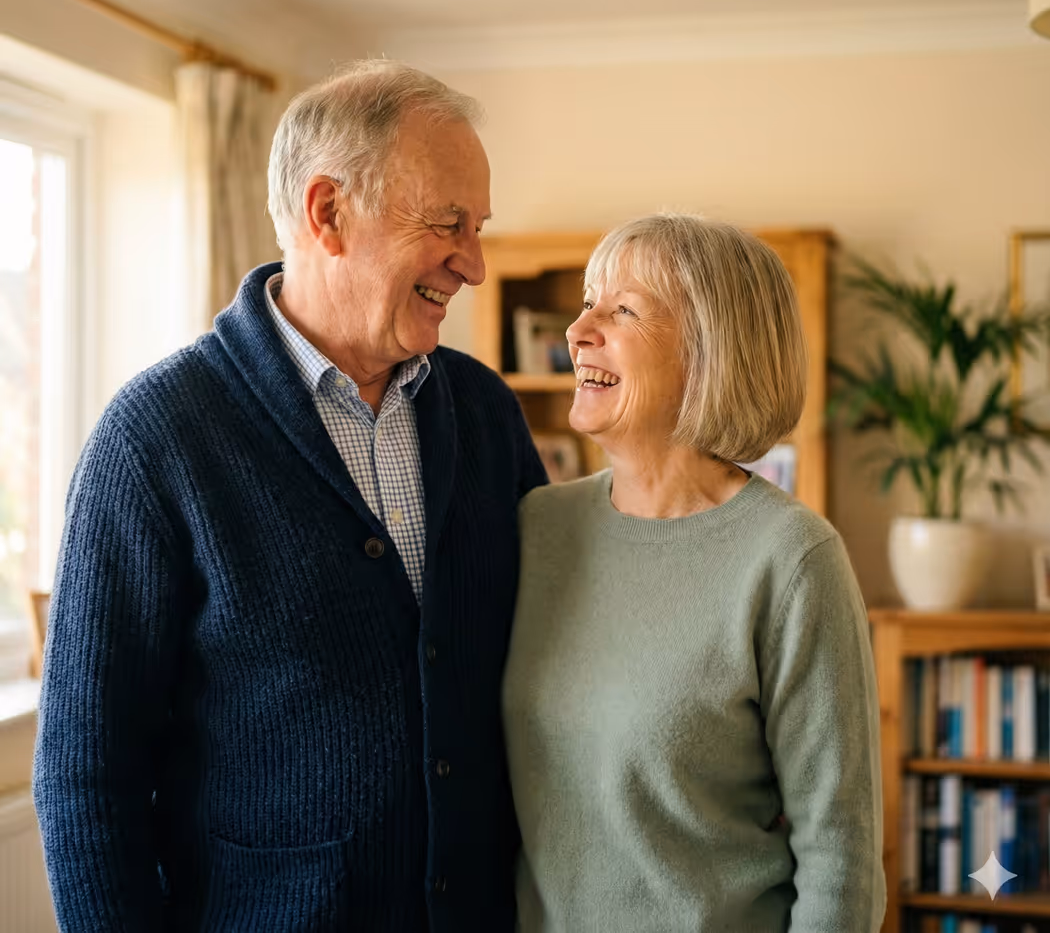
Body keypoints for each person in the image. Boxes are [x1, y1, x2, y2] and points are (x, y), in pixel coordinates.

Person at [34, 60, 546, 932]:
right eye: (448, 224)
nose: (476, 263)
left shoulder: (485, 413)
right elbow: (89, 777)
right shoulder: (157, 438)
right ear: (328, 213)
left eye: (479, 226)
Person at [502, 213, 886, 932]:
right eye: (588, 301)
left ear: (711, 353)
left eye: (623, 310)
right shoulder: (536, 529)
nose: (579, 330)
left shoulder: (792, 559)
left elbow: (842, 853)